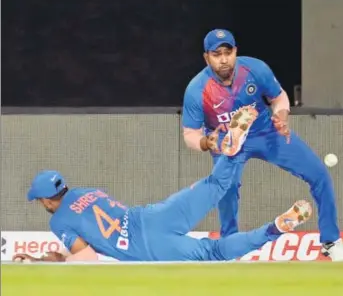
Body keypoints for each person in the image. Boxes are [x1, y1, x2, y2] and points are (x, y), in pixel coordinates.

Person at [13, 107, 312, 263]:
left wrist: (59, 262)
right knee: (215, 184)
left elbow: (87, 256)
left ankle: (274, 229)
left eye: (40, 202)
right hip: (154, 215)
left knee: (215, 252)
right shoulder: (86, 192)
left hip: (149, 246)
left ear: (46, 200)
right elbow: (88, 237)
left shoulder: (60, 220)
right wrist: (51, 258)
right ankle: (231, 150)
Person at [181, 28, 343, 261]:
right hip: (226, 142)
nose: (223, 59)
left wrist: (282, 115)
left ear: (235, 52)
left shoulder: (255, 69)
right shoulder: (197, 89)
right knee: (226, 189)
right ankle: (230, 246)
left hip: (266, 132)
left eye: (228, 52)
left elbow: (279, 97)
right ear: (207, 57)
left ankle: (331, 241)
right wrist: (205, 142)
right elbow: (189, 133)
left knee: (319, 173)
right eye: (216, 54)